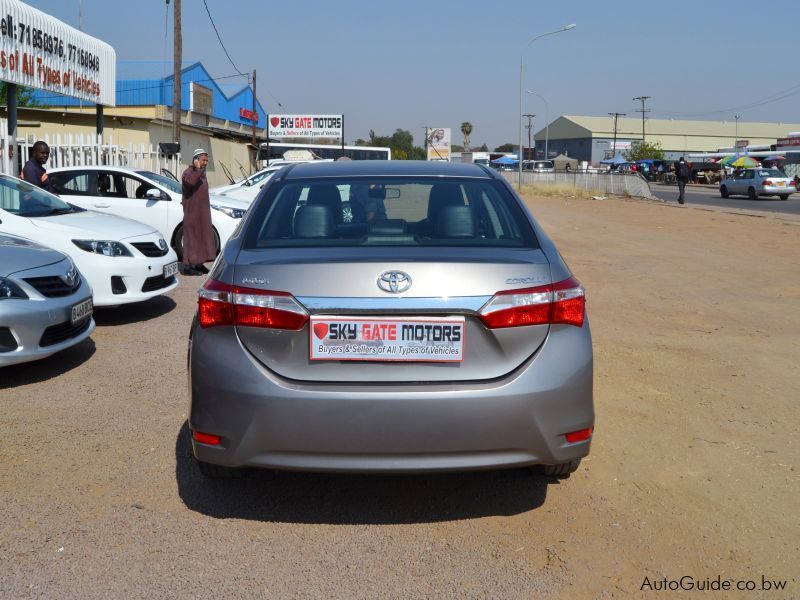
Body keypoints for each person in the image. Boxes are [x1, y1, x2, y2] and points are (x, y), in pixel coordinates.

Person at [180, 149, 216, 275]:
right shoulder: (189, 172)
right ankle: (188, 266)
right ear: (196, 160)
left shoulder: (201, 173)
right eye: (203, 160)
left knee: (202, 238)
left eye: (206, 160)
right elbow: (189, 183)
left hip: (202, 214)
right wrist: (197, 169)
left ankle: (198, 264)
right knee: (192, 239)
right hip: (192, 213)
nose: (205, 163)